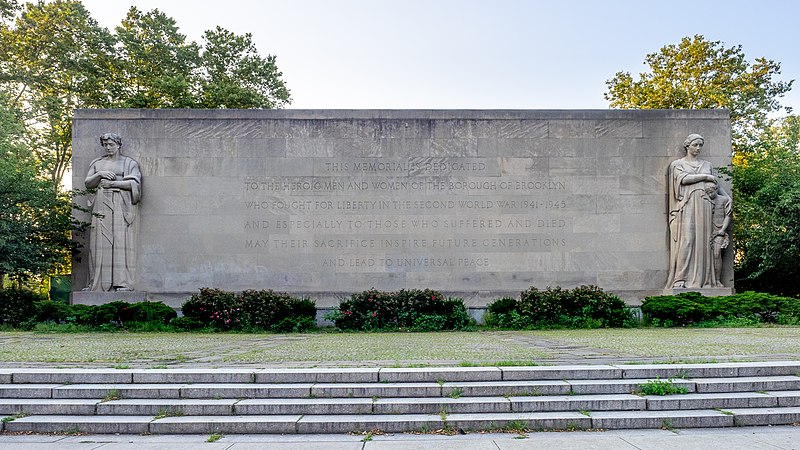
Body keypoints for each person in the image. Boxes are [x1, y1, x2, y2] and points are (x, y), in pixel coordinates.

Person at [83, 133, 142, 291]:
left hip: (120, 205)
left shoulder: (129, 163)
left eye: (111, 144)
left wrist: (114, 183)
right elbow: (88, 183)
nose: (108, 147)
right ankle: (97, 283)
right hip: (101, 205)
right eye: (105, 145)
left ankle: (121, 283)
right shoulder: (97, 163)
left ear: (118, 145)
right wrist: (99, 175)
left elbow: (135, 184)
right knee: (98, 244)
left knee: (119, 243)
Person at [665, 133, 720, 289]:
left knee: (704, 242)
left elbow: (715, 183)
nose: (698, 148)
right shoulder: (678, 164)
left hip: (705, 204)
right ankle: (680, 279)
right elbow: (683, 179)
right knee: (687, 241)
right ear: (687, 145)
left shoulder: (707, 164)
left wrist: (725, 198)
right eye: (695, 145)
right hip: (687, 205)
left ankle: (704, 280)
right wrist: (705, 177)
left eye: (700, 145)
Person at [706, 182, 732, 287]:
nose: (710, 194)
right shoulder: (706, 201)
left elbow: (728, 216)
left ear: (716, 190)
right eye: (707, 192)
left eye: (711, 192)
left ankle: (717, 280)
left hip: (719, 231)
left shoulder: (724, 200)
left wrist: (723, 229)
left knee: (717, 255)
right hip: (708, 230)